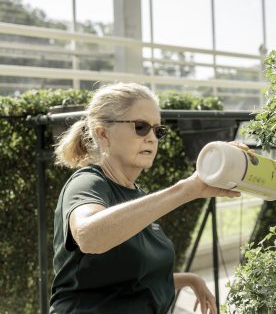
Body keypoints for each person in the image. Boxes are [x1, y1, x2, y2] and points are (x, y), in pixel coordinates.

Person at [50, 82, 242, 314]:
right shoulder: (88, 182)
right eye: (140, 127)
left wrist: (191, 280)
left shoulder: (135, 195)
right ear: (103, 134)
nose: (152, 138)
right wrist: (187, 189)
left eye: (157, 130)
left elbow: (128, 279)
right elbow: (89, 236)